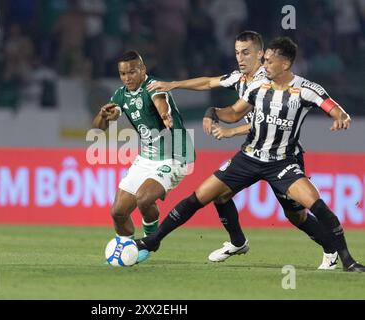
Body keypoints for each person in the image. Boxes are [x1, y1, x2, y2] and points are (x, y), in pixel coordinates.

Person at [136, 37, 365, 272]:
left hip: (282, 163)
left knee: (309, 209)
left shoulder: (306, 90)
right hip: (248, 157)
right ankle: (154, 240)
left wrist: (341, 118)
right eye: (264, 60)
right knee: (201, 196)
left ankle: (347, 260)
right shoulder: (258, 87)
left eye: (269, 61)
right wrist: (212, 111)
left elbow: (336, 110)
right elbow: (234, 113)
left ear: (285, 64)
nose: (264, 66)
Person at [92, 50, 194, 263]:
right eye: (122, 74)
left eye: (132, 72)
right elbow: (98, 129)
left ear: (143, 70)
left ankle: (150, 240)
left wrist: (164, 114)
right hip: (147, 157)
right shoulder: (121, 94)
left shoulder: (153, 86)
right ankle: (126, 248)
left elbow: (160, 102)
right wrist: (103, 116)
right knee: (118, 212)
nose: (127, 77)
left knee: (144, 198)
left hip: (175, 155)